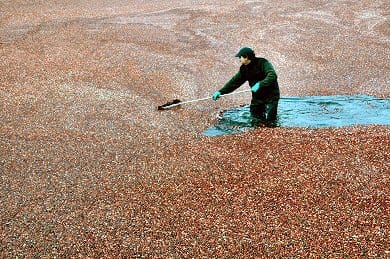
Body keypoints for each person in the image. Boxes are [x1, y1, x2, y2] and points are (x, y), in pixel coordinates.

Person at [212, 47, 280, 126]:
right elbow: (234, 82)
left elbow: (272, 75)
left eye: (240, 57)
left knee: (271, 120)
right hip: (257, 97)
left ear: (246, 57)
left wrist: (260, 84)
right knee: (255, 117)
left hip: (271, 96)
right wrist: (221, 91)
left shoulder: (263, 63)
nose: (239, 59)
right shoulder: (244, 69)